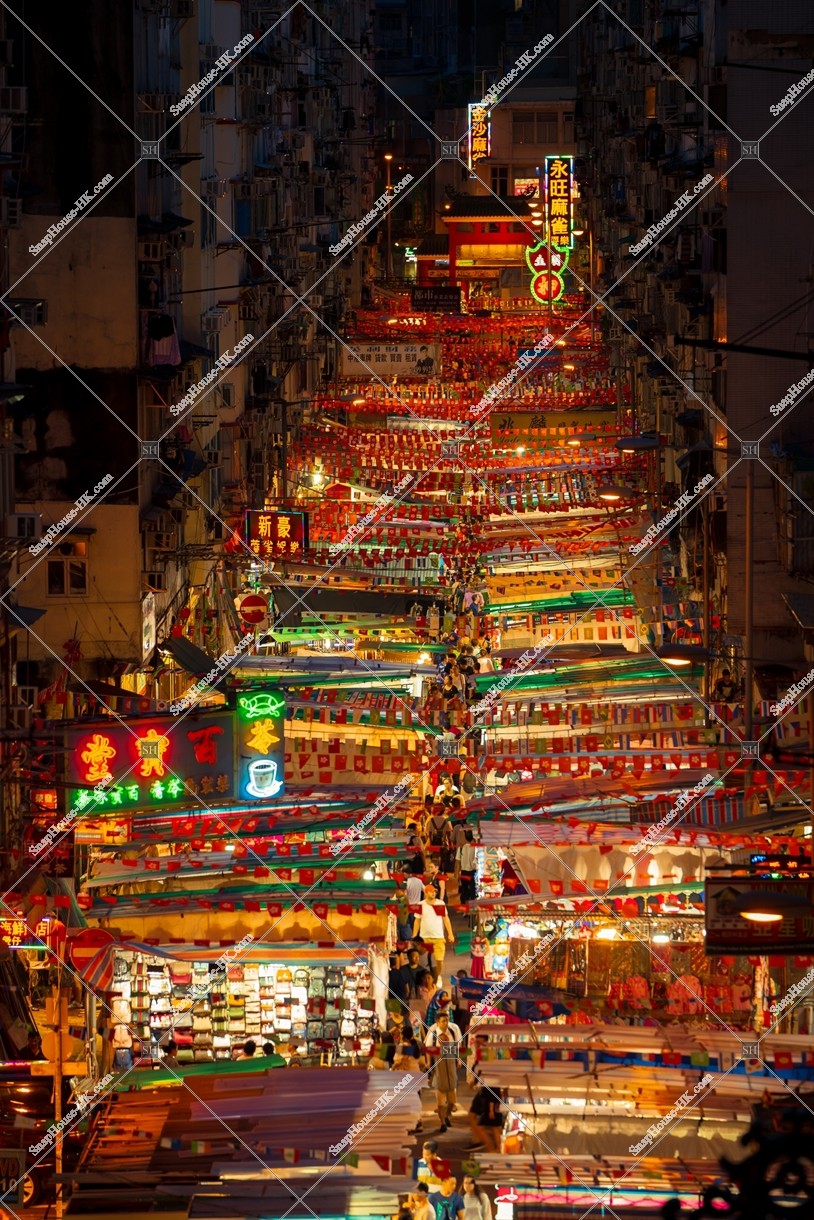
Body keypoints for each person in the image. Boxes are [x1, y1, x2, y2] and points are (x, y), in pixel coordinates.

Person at [413, 884, 455, 984]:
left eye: (435, 891)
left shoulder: (440, 904)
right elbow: (417, 921)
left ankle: (437, 976)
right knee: (424, 962)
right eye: (431, 891)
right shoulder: (420, 905)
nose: (434, 893)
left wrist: (450, 934)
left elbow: (446, 919)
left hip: (438, 937)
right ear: (426, 892)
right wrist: (414, 936)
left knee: (439, 960)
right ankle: (426, 980)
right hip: (424, 938)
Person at [467, 1085, 503, 1151]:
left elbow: (492, 1089)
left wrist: (491, 1109)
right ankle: (495, 1147)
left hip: (489, 1097)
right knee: (494, 1126)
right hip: (490, 1096)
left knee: (493, 1126)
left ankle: (490, 1144)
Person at [458, 831, 477, 903]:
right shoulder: (475, 848)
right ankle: (472, 905)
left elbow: (458, 861)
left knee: (464, 889)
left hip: (463, 871)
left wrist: (457, 873)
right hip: (472, 872)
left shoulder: (461, 848)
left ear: (465, 838)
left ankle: (463, 904)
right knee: (472, 890)